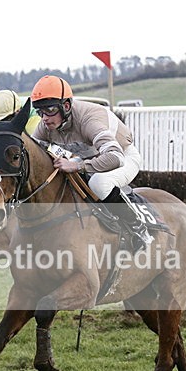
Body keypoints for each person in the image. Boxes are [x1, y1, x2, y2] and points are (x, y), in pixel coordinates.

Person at [29, 74, 153, 249]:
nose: (45, 118)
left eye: (49, 110)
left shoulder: (89, 120)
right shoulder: (46, 125)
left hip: (123, 156)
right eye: (39, 111)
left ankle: (137, 228)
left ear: (65, 106)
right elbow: (35, 153)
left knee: (99, 183)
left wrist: (77, 165)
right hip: (90, 157)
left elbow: (114, 158)